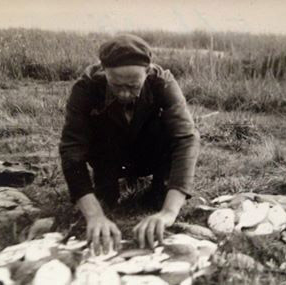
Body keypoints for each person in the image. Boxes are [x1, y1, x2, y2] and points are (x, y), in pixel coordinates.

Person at [59, 34, 200, 255]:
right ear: (103, 70)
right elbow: (71, 150)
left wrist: (169, 212)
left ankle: (158, 190)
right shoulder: (85, 88)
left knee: (158, 201)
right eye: (116, 85)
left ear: (148, 70)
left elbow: (186, 139)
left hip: (151, 156)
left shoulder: (163, 83)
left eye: (134, 85)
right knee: (105, 201)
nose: (125, 93)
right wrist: (94, 215)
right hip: (108, 156)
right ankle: (108, 185)